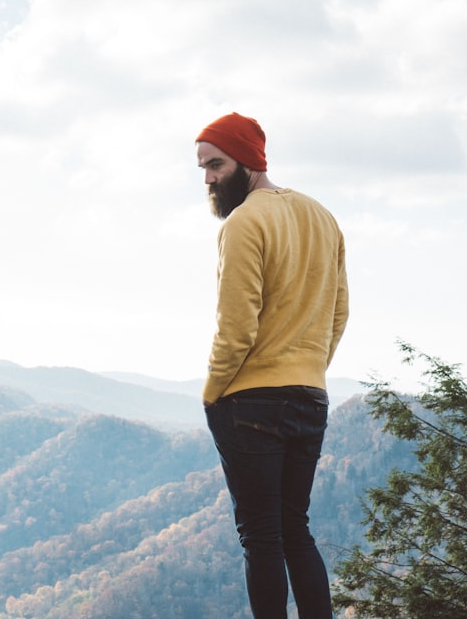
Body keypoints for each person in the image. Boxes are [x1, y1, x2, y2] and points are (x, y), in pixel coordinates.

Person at [196, 112, 348, 618]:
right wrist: (310, 369)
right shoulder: (323, 218)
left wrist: (212, 392)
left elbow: (236, 328)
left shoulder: (244, 223)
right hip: (311, 396)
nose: (208, 178)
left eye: (216, 164)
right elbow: (339, 311)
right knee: (295, 529)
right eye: (203, 168)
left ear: (248, 160)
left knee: (261, 538)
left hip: (251, 403)